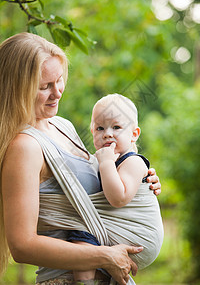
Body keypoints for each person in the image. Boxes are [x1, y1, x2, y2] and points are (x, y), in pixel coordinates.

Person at [0, 32, 162, 285]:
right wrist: (104, 255)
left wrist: (137, 179)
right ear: (17, 88)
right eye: (44, 87)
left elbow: (92, 189)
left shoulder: (60, 125)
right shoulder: (25, 147)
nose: (58, 93)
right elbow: (22, 245)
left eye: (60, 80)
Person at [67, 94, 164, 282]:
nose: (107, 134)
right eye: (100, 128)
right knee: (79, 258)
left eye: (117, 127)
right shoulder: (104, 161)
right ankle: (97, 276)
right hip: (111, 233)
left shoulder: (133, 162)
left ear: (134, 134)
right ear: (92, 131)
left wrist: (106, 164)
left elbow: (118, 198)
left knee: (80, 235)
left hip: (139, 239)